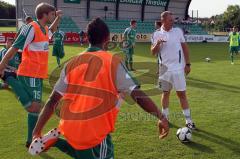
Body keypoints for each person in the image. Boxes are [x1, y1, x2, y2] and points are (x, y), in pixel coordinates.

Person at [32, 18, 169, 159]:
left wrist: (36, 132)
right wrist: (161, 116)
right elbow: (137, 94)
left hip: (69, 127)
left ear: (87, 37)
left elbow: (52, 100)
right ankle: (56, 142)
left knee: (82, 152)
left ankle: (56, 142)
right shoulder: (112, 62)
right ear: (107, 38)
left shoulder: (71, 63)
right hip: (94, 134)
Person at [0, 2, 63, 147]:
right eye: (52, 14)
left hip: (38, 75)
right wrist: (2, 66)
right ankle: (10, 80)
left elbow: (52, 30)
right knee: (33, 108)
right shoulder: (31, 28)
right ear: (44, 14)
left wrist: (58, 18)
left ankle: (30, 141)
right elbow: (15, 47)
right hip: (29, 73)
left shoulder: (44, 29)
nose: (53, 16)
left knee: (36, 108)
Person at [151, 11, 196, 130]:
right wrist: (158, 44)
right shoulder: (156, 34)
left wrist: (188, 64)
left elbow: (185, 47)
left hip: (178, 69)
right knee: (165, 93)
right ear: (163, 21)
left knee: (182, 94)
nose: (173, 22)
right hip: (164, 70)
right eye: (171, 20)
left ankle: (189, 121)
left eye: (173, 20)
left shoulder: (178, 31)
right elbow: (153, 52)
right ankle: (164, 117)